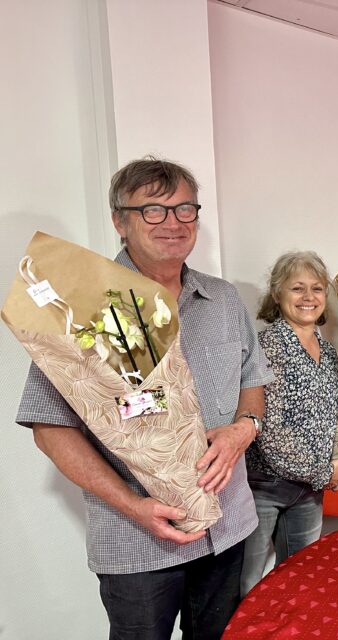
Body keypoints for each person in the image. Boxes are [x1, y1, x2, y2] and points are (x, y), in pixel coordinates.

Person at [15, 157, 275, 640]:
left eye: (185, 209)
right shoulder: (85, 307)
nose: (173, 223)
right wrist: (132, 506)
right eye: (153, 210)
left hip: (231, 523)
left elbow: (252, 379)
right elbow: (51, 430)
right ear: (120, 220)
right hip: (138, 538)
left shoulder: (223, 299)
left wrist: (245, 428)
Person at [241, 251, 338, 593]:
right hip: (264, 488)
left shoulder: (329, 350)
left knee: (299, 582)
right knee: (247, 587)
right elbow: (269, 432)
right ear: (277, 294)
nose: (308, 298)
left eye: (317, 289)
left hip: (308, 493)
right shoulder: (266, 347)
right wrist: (326, 472)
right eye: (297, 288)